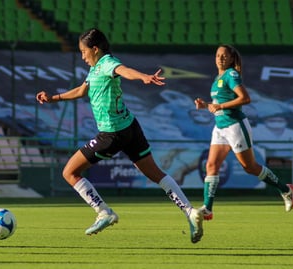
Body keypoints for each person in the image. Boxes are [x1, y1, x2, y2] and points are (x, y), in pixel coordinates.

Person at [36, 28, 204, 243]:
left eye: (83, 51)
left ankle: (103, 212)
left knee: (70, 172)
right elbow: (81, 91)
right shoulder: (96, 68)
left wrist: (143, 76)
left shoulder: (106, 63)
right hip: (130, 127)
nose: (82, 56)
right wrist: (54, 98)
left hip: (112, 134)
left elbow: (123, 70)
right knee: (155, 173)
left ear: (95, 49)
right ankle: (190, 212)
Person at [194, 44, 293, 220]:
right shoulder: (218, 77)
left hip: (235, 125)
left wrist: (220, 106)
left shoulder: (231, 74)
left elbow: (245, 99)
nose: (220, 58)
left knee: (249, 167)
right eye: (218, 55)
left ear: (232, 59)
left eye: (224, 55)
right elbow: (219, 104)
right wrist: (206, 106)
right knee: (211, 166)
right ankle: (208, 209)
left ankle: (286, 189)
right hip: (220, 127)